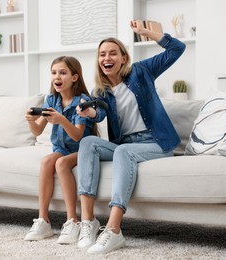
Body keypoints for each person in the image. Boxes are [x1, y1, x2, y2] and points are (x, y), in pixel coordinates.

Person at [75, 21, 186, 254]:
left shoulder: (142, 71)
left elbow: (177, 49)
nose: (107, 57)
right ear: (98, 61)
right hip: (125, 144)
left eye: (113, 53)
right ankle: (88, 221)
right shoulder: (101, 92)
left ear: (124, 58)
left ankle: (114, 229)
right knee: (88, 143)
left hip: (157, 143)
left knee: (123, 151)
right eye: (102, 54)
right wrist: (90, 112)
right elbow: (101, 113)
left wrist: (148, 33)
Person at [24, 56, 95, 244]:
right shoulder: (52, 100)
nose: (57, 76)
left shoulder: (82, 101)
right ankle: (43, 220)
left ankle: (72, 221)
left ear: (74, 77)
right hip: (61, 148)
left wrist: (62, 120)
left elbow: (77, 136)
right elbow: (38, 131)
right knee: (47, 161)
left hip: (83, 149)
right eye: (54, 72)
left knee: (62, 164)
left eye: (63, 72)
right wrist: (31, 122)